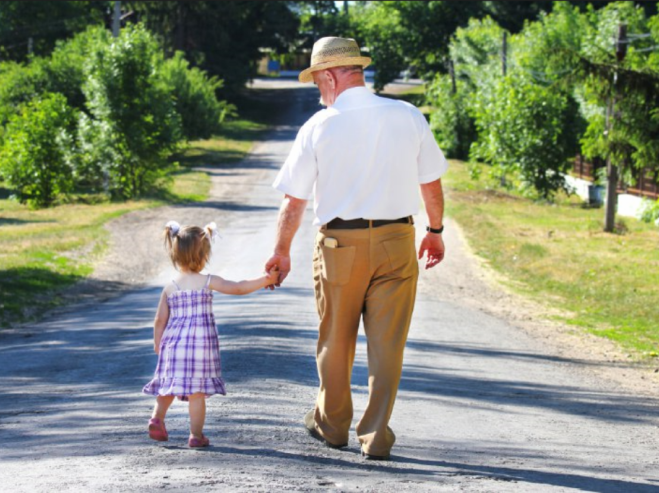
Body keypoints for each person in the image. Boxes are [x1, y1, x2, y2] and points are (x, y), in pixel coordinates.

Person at [265, 37, 448, 460]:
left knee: (335, 338)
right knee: (388, 344)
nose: (317, 90)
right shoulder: (407, 115)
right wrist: (435, 230)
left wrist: (281, 251)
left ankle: (332, 426)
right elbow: (431, 181)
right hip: (397, 240)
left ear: (329, 75)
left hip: (338, 244)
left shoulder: (319, 125)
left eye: (317, 81)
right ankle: (376, 435)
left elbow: (294, 201)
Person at [143, 221, 279, 447]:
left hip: (173, 346)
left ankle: (157, 418)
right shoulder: (207, 281)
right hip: (200, 348)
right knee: (197, 393)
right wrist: (266, 279)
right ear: (204, 255)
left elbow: (160, 320)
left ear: (175, 255)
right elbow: (238, 287)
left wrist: (158, 345)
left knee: (168, 385)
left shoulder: (170, 287)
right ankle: (196, 436)